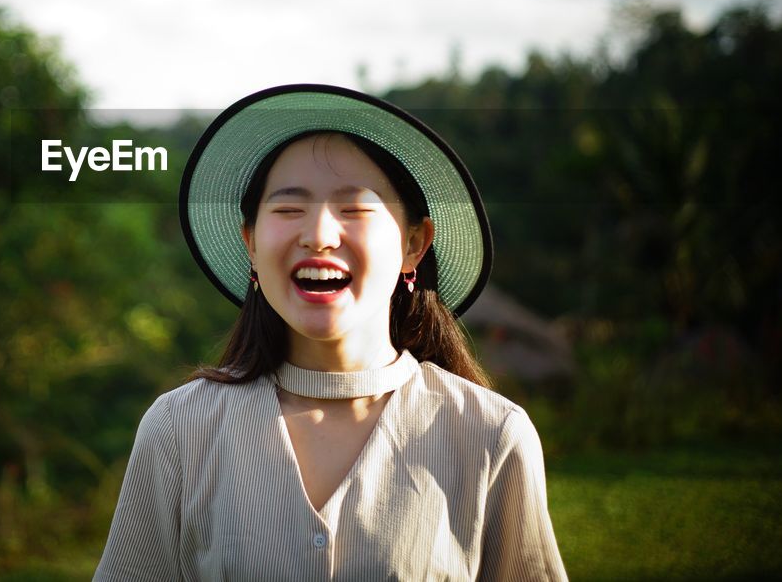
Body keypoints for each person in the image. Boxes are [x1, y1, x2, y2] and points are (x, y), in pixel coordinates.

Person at [95, 84, 567, 581]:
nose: (319, 235)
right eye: (288, 208)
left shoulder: (489, 435)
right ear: (251, 244)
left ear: (413, 244)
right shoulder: (179, 430)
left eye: (354, 207)